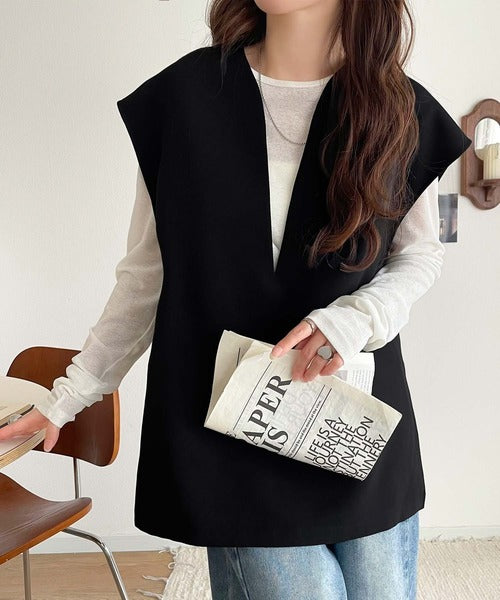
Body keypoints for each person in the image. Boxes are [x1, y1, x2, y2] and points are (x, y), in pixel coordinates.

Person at [0, 1, 471, 598]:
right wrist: (66, 399)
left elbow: (419, 255)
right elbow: (146, 277)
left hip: (354, 417)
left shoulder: (396, 105)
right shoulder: (183, 100)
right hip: (231, 427)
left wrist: (354, 319)